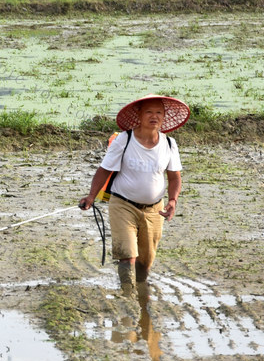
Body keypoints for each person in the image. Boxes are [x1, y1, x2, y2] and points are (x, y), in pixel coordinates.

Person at [79, 95, 188, 297]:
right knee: (127, 254)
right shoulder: (124, 140)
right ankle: (127, 296)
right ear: (139, 115)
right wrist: (91, 196)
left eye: (158, 112)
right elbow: (104, 170)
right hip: (123, 205)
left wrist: (173, 200)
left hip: (155, 209)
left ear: (164, 116)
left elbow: (174, 177)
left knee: (145, 262)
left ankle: (140, 292)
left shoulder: (169, 144)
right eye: (149, 112)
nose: (154, 116)